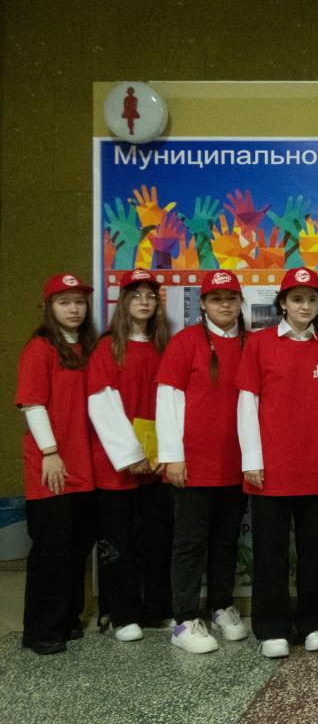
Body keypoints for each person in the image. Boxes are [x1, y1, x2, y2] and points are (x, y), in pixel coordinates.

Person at [236, 267, 318, 659]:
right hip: (270, 468)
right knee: (270, 552)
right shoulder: (259, 343)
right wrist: (251, 458)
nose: (304, 306)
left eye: (311, 299)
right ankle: (272, 628)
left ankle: (315, 623)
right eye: (297, 299)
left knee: (316, 550)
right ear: (282, 303)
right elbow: (247, 403)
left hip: (316, 466)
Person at [156, 270, 249, 654]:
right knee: (190, 544)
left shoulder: (250, 342)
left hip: (237, 464)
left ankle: (221, 606)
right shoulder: (185, 343)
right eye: (216, 298)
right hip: (192, 465)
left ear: (240, 302)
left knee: (226, 540)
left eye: (231, 298)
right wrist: (172, 456)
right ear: (204, 304)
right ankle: (184, 619)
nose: (224, 305)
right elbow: (167, 400)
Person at [88, 268, 172, 642]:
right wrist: (131, 454)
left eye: (150, 296)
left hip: (156, 463)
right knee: (118, 543)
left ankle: (156, 610)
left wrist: (163, 452)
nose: (144, 302)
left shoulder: (163, 347)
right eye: (136, 295)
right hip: (118, 466)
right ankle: (122, 615)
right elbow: (101, 403)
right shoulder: (107, 347)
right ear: (123, 302)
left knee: (156, 539)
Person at [16, 273, 98, 655]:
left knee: (77, 548)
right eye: (64, 302)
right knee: (51, 551)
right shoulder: (40, 348)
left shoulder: (88, 348)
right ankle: (40, 630)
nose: (74, 309)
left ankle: (67, 619)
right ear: (49, 307)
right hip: (52, 467)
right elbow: (33, 404)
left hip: (86, 466)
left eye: (79, 302)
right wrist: (50, 451)